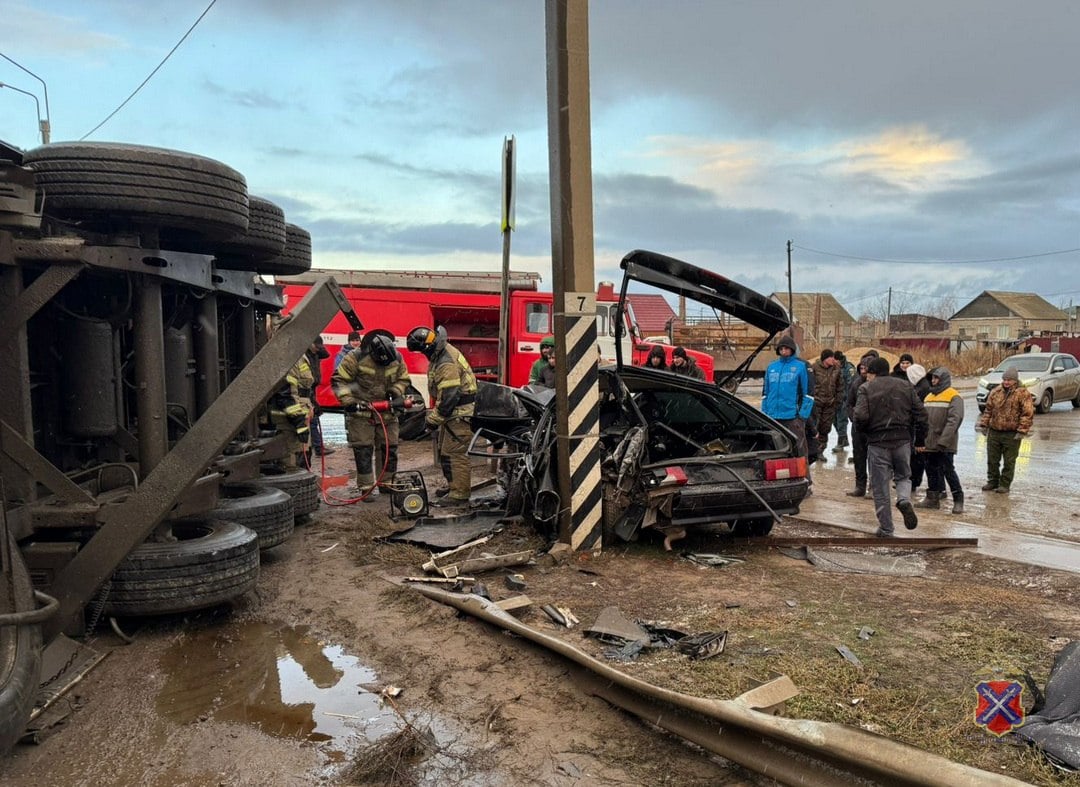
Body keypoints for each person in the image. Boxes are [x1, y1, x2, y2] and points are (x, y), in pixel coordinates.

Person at [332, 331, 412, 498]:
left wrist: (395, 391)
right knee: (363, 450)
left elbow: (403, 379)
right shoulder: (355, 358)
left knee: (389, 449)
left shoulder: (396, 357)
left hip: (388, 414)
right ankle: (366, 487)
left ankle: (387, 483)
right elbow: (339, 380)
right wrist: (349, 402)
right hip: (362, 414)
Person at [854, 357, 927, 537]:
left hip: (878, 443)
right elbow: (922, 415)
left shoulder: (866, 388)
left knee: (880, 487)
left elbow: (860, 417)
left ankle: (887, 528)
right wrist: (919, 441)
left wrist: (866, 434)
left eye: (868, 374)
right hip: (902, 440)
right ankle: (903, 499)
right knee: (903, 477)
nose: (866, 377)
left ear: (873, 373)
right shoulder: (905, 386)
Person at [407, 325, 478, 508]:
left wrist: (432, 421)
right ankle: (453, 486)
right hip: (454, 413)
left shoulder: (445, 361)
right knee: (446, 451)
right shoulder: (441, 352)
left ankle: (460, 495)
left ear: (427, 347)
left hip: (460, 413)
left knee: (455, 453)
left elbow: (449, 396)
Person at [975, 366, 1035, 494]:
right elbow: (988, 410)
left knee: (1009, 461)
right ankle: (992, 481)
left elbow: (1027, 413)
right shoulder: (996, 392)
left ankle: (1005, 484)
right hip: (995, 432)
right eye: (1005, 379)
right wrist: (984, 425)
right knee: (992, 459)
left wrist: (1022, 431)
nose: (1006, 382)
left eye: (1009, 380)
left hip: (1011, 434)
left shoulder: (1023, 393)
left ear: (1015, 380)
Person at [761, 335, 811, 483]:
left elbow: (807, 394)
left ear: (792, 350)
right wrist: (764, 413)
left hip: (792, 417)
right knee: (775, 450)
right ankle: (777, 478)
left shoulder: (800, 367)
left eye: (787, 348)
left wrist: (802, 416)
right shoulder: (771, 367)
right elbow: (765, 393)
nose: (784, 351)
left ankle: (806, 480)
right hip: (772, 417)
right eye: (781, 348)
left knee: (800, 450)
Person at [916, 367, 965, 514]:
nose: (933, 381)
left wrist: (943, 440)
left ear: (943, 379)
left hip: (945, 443)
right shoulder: (929, 396)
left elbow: (954, 421)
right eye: (932, 378)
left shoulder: (954, 396)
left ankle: (958, 499)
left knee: (948, 471)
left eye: (936, 378)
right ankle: (932, 498)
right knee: (931, 471)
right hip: (929, 442)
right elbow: (924, 419)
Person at [269, 351, 314, 469]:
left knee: (303, 458)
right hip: (289, 420)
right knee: (291, 463)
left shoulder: (300, 354)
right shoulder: (289, 356)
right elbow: (286, 394)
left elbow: (304, 386)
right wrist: (299, 422)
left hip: (300, 414)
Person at [845, 351, 878, 497]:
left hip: (875, 427)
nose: (863, 371)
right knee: (859, 456)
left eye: (866, 368)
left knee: (875, 458)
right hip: (858, 427)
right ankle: (860, 486)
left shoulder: (879, 384)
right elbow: (849, 403)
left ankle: (873, 487)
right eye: (862, 368)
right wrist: (855, 419)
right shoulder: (856, 382)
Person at [810, 349, 843, 458]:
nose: (833, 359)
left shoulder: (836, 369)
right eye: (831, 357)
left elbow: (840, 386)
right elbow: (809, 384)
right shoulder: (814, 367)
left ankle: (821, 451)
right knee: (814, 427)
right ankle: (812, 450)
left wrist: (838, 400)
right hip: (816, 403)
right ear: (825, 358)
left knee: (825, 427)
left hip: (830, 404)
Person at [305, 338, 334, 457]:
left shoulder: (316, 353)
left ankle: (317, 446)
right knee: (313, 419)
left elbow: (326, 354)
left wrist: (317, 347)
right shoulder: (305, 353)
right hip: (308, 388)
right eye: (316, 346)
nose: (318, 348)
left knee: (314, 418)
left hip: (313, 387)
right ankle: (317, 447)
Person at [905, 363, 930, 492]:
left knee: (918, 457)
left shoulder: (921, 389)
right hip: (920, 427)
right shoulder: (922, 386)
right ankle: (912, 481)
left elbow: (920, 414)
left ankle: (914, 482)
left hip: (919, 428)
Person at [832, 351, 856, 451]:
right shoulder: (833, 367)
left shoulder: (849, 368)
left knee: (842, 421)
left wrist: (846, 398)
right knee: (834, 421)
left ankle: (841, 443)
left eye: (835, 360)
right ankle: (844, 439)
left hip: (844, 399)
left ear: (838, 360)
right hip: (834, 399)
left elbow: (851, 384)